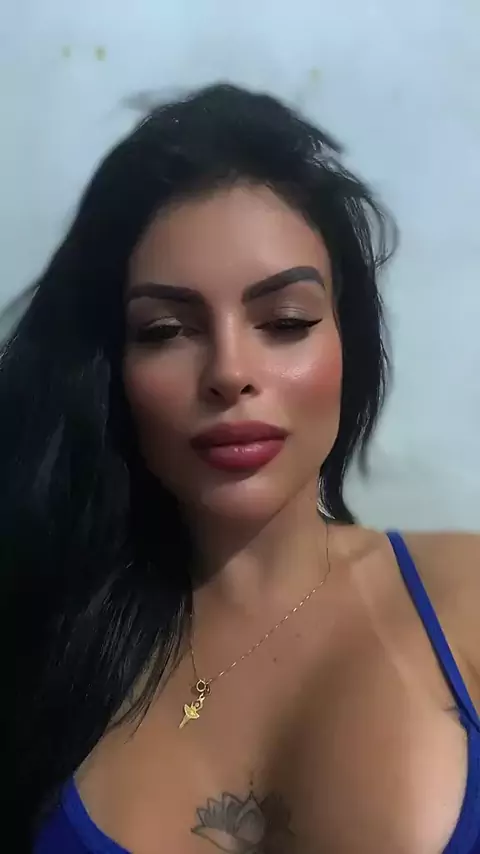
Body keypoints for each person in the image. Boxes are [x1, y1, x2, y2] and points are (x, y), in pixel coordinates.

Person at [6, 83, 479, 854]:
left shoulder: (464, 602)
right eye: (166, 329)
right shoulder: (43, 641)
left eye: (285, 321)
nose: (230, 372)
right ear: (111, 370)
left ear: (347, 344)